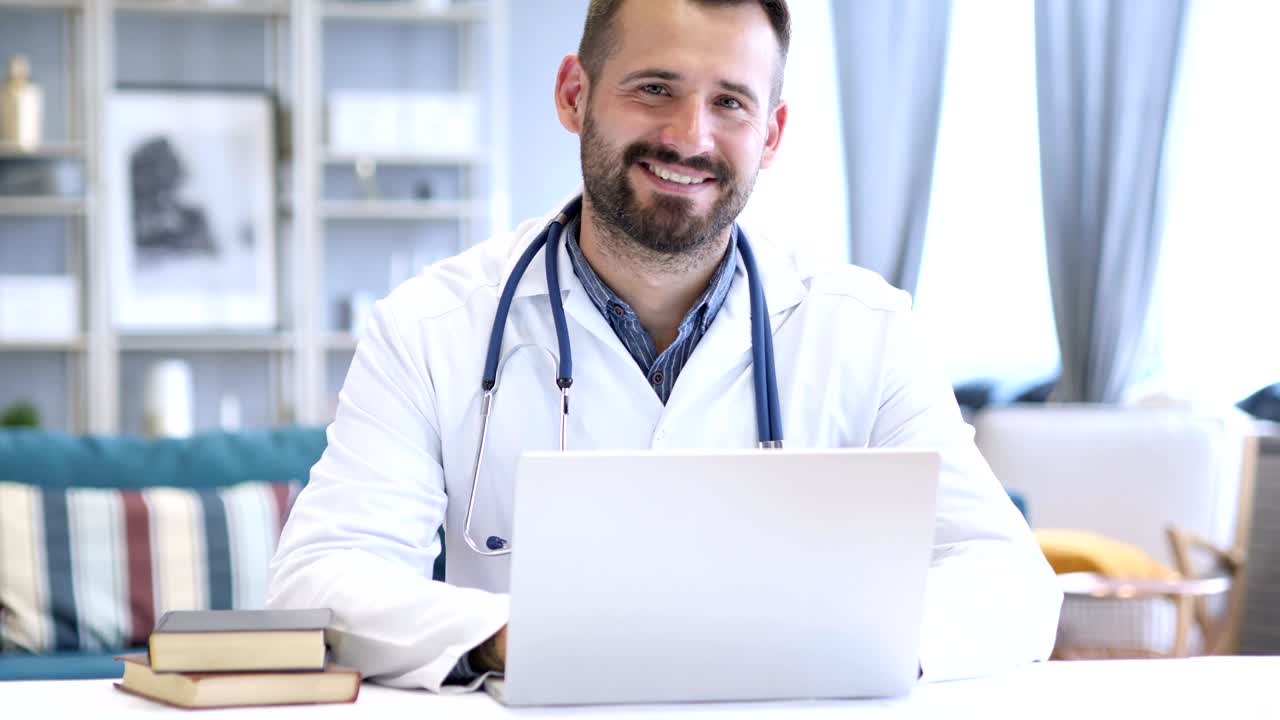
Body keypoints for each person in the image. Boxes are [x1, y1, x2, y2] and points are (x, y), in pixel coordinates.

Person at [266, 0, 1062, 692]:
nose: (690, 136)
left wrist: (850, 646)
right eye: (656, 89)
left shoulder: (867, 330)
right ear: (574, 94)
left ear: (773, 134)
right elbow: (319, 579)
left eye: (731, 103)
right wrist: (519, 636)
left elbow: (1013, 582)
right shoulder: (429, 326)